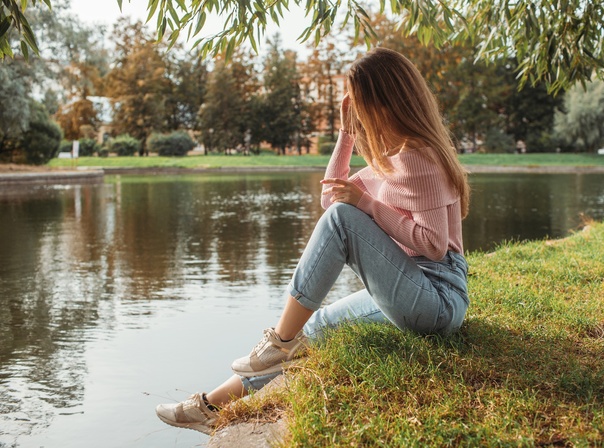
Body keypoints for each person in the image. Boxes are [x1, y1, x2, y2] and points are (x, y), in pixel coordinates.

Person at [155, 47, 471, 435]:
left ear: (384, 102)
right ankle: (211, 407)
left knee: (343, 219)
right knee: (316, 327)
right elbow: (329, 199)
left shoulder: (419, 158)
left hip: (438, 297)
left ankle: (279, 339)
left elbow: (434, 246)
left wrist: (369, 205)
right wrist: (345, 136)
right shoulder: (390, 160)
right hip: (413, 287)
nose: (360, 114)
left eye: (362, 105)